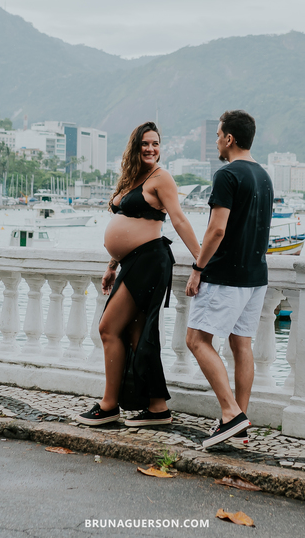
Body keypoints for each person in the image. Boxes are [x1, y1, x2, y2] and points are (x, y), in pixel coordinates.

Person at [76, 121, 202, 428]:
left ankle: (109, 405)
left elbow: (180, 221)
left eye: (156, 143)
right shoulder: (132, 177)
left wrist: (201, 262)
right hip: (131, 262)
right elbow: (123, 223)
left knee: (108, 328)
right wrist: (111, 265)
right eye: (145, 143)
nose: (151, 148)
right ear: (135, 146)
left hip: (150, 261)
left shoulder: (162, 178)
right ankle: (157, 407)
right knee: (136, 334)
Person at [185, 110, 273, 449]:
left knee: (196, 340)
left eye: (218, 136)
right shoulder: (264, 176)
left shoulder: (227, 174)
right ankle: (240, 422)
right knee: (241, 345)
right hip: (255, 276)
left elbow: (217, 228)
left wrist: (198, 268)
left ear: (229, 138)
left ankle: (230, 414)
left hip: (225, 276)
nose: (217, 142)